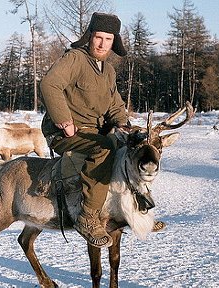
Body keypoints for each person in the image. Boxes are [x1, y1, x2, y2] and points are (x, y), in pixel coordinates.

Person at [40, 12, 164, 249]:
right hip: (66, 134)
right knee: (105, 148)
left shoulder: (107, 71)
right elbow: (49, 84)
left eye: (108, 39)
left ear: (113, 41)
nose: (102, 44)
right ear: (89, 37)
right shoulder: (75, 59)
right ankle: (87, 217)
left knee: (132, 150)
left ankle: (137, 209)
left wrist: (126, 127)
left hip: (93, 133)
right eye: (98, 37)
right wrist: (64, 121)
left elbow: (115, 105)